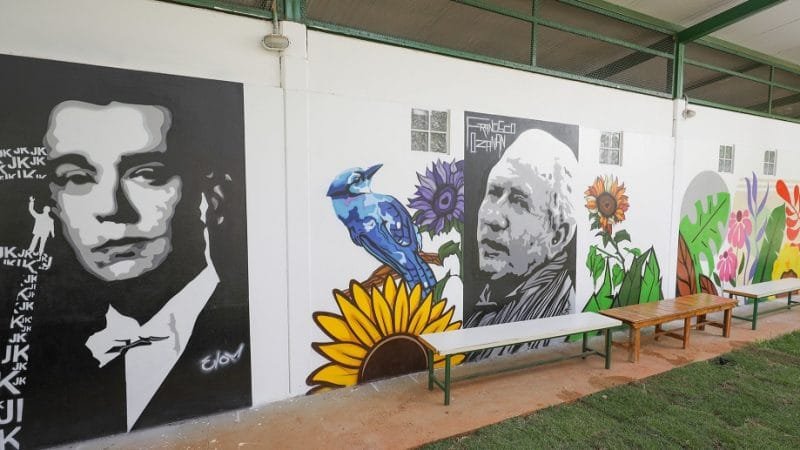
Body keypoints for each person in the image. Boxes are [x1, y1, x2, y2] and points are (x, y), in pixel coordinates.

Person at [22, 98, 250, 447]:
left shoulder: (244, 325)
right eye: (77, 177)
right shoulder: (47, 349)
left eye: (147, 174)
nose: (112, 208)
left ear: (212, 197)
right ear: (51, 204)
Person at [466, 129, 577, 360]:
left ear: (557, 236)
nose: (492, 217)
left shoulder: (552, 321)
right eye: (494, 192)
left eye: (518, 201)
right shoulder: (497, 298)